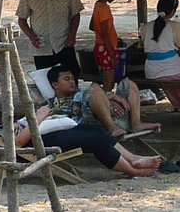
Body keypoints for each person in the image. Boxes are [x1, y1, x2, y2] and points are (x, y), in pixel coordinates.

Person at [21, 64, 165, 177]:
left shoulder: (83, 93)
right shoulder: (50, 104)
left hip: (114, 117)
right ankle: (113, 131)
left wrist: (110, 99)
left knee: (128, 83)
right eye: (67, 79)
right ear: (55, 85)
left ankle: (136, 124)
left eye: (72, 78)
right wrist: (109, 97)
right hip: (95, 123)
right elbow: (43, 121)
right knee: (95, 88)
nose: (72, 82)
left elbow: (95, 96)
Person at [16, 0, 85, 71]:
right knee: (46, 82)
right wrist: (32, 37)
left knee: (71, 78)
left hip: (64, 43)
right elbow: (22, 19)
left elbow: (75, 14)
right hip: (42, 47)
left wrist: (72, 36)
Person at [90, 0, 125, 91]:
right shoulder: (104, 8)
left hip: (99, 46)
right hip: (106, 48)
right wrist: (112, 55)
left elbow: (92, 26)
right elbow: (105, 33)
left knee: (106, 78)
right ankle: (106, 102)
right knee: (109, 81)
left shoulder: (97, 5)